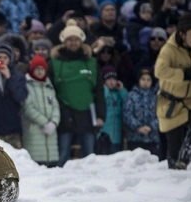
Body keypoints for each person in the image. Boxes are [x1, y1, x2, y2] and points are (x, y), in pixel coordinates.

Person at [154, 13, 191, 170]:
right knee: (174, 148)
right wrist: (184, 74)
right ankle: (175, 170)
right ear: (182, 34)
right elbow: (159, 71)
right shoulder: (169, 49)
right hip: (170, 101)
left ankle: (185, 159)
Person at [49, 21, 105, 167]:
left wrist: (101, 115)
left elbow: (98, 90)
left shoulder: (92, 62)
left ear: (81, 41)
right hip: (64, 113)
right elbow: (51, 90)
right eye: (69, 39)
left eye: (76, 39)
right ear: (64, 41)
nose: (73, 42)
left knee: (89, 156)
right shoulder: (54, 63)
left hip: (87, 113)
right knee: (63, 155)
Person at [22, 55, 60, 166]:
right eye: (37, 69)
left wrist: (54, 122)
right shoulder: (27, 85)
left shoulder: (49, 86)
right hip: (34, 130)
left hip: (51, 133)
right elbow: (28, 107)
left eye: (42, 69)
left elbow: (55, 106)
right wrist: (45, 122)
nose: (39, 71)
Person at [123, 67, 160, 155]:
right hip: (135, 138)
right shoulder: (131, 95)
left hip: (152, 139)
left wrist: (151, 127)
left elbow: (161, 115)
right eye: (143, 79)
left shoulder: (156, 97)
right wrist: (138, 127)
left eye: (148, 79)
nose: (145, 82)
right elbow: (127, 114)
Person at [98, 65, 127, 154]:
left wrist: (122, 90)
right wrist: (104, 88)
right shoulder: (102, 91)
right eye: (109, 79)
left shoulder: (118, 93)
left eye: (114, 79)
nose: (112, 82)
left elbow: (127, 101)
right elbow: (101, 98)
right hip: (103, 133)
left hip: (117, 134)